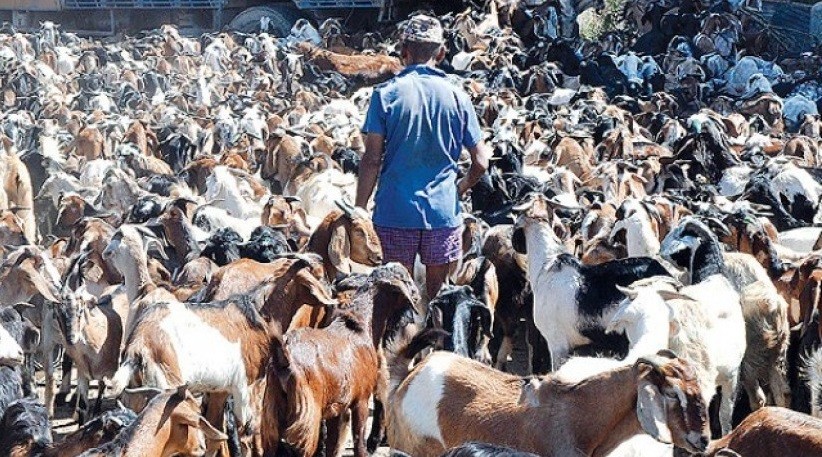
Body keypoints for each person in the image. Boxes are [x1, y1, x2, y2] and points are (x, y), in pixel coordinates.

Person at [355, 14, 491, 300]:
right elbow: (481, 162)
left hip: (395, 212)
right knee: (439, 299)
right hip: (442, 213)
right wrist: (459, 188)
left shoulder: (385, 95)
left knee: (394, 298)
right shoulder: (458, 96)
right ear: (441, 53)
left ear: (403, 51)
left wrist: (359, 207)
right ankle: (436, 342)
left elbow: (371, 159)